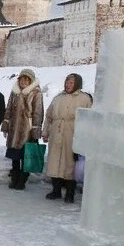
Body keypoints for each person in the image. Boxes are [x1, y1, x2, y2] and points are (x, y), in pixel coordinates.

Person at [42, 73, 92, 203]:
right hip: (57, 132)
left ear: (77, 84)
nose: (68, 85)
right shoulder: (58, 98)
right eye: (66, 82)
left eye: (71, 82)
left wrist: (85, 138)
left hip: (73, 133)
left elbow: (90, 120)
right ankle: (56, 190)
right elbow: (49, 116)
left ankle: (70, 193)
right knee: (55, 162)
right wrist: (46, 132)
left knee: (70, 164)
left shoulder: (84, 99)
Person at [1, 68, 44, 190]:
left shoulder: (36, 93)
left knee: (26, 157)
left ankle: (22, 180)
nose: (24, 81)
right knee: (15, 156)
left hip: (27, 130)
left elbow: (38, 112)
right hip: (14, 129)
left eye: (27, 79)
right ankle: (14, 179)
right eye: (22, 79)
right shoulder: (14, 91)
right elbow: (8, 108)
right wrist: (6, 124)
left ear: (31, 81)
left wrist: (36, 129)